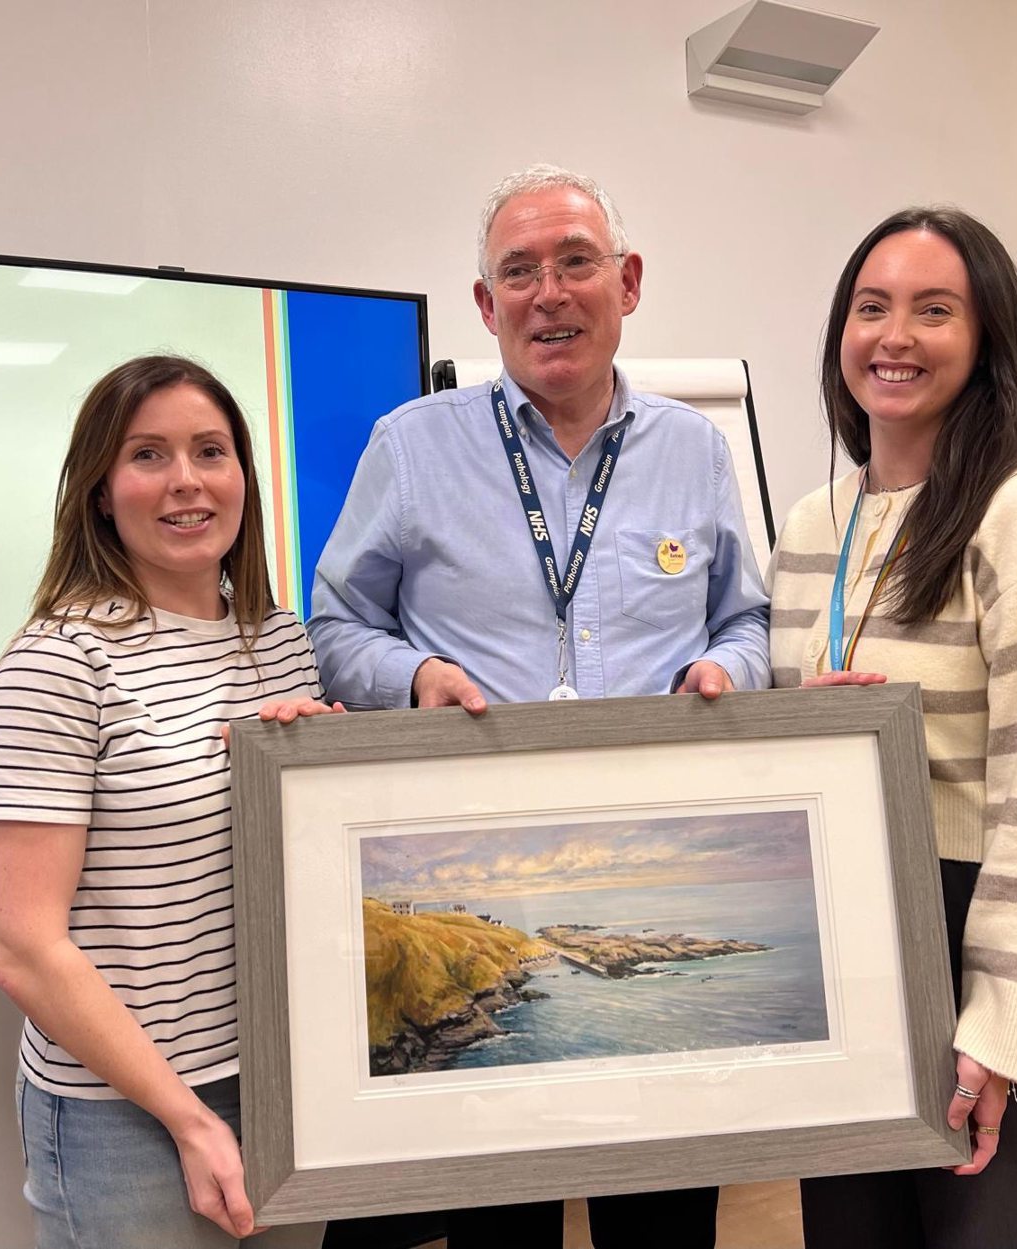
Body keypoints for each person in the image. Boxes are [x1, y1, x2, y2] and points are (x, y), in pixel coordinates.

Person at [307, 165, 770, 1248]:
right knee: (497, 1222)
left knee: (662, 1213)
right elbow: (332, 631)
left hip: (644, 851)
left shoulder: (696, 452)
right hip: (486, 872)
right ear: (485, 304)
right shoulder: (409, 447)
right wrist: (414, 677)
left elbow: (744, 623)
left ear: (629, 281)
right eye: (519, 272)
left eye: (576, 262)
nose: (549, 293)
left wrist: (729, 676)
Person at [768, 208, 1017, 1248]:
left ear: (988, 339)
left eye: (935, 310)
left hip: (984, 918)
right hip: (850, 932)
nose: (896, 336)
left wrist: (1003, 1030)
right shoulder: (808, 523)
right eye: (872, 307)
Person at [0, 355, 342, 1248]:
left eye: (211, 451)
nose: (187, 481)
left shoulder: (279, 641)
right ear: (101, 490)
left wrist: (318, 768)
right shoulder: (58, 663)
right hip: (124, 1118)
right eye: (148, 455)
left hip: (285, 1088)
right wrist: (188, 1118)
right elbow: (19, 945)